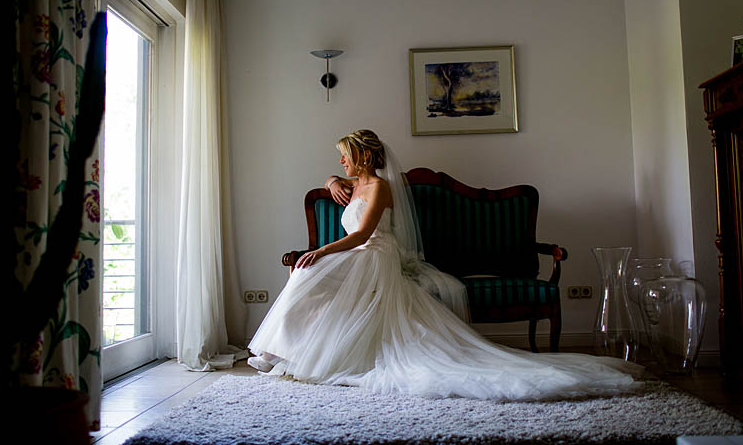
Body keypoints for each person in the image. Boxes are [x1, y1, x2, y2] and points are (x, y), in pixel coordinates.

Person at [247, 129, 642, 401]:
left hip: (372, 253)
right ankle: (281, 352)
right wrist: (332, 178)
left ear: (363, 156)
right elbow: (341, 184)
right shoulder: (355, 184)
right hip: (358, 254)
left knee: (311, 269)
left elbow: (365, 235)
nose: (341, 162)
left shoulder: (381, 187)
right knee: (305, 274)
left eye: (345, 157)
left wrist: (323, 250)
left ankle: (281, 354)